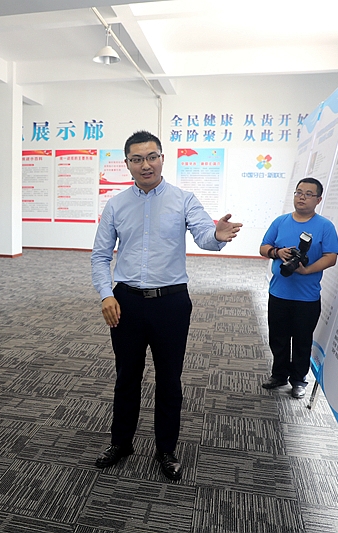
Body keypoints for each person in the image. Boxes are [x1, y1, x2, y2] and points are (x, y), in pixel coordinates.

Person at [91, 130, 242, 481]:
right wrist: (106, 294)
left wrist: (216, 236)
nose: (146, 165)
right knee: (126, 377)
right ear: (127, 163)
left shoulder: (183, 199)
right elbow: (100, 256)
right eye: (137, 159)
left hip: (171, 303)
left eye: (152, 157)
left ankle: (166, 449)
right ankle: (121, 442)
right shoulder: (116, 205)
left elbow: (205, 235)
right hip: (126, 302)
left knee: (169, 379)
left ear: (162, 158)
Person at [260, 177, 338, 399]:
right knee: (278, 338)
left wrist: (308, 270)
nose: (301, 197)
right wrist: (277, 252)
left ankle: (298, 380)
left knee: (302, 341)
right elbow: (264, 247)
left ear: (318, 199)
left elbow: (331, 257)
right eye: (298, 192)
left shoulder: (325, 226)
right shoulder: (280, 222)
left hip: (307, 297)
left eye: (308, 194)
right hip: (279, 293)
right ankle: (279, 375)